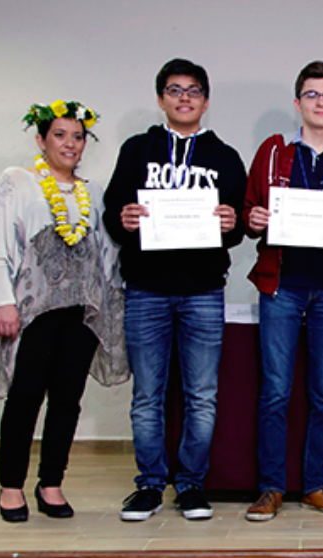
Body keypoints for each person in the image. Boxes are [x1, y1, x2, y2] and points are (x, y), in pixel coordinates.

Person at [104, 58, 247, 522]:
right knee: (148, 393)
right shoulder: (136, 149)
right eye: (174, 90)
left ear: (205, 100)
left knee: (202, 394)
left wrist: (233, 223)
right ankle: (148, 485)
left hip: (204, 290)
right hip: (145, 288)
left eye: (193, 91)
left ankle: (189, 485)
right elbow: (113, 213)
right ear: (161, 98)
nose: (184, 98)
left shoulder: (224, 156)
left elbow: (239, 223)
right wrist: (122, 221)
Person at [0, 100, 128, 522]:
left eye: (77, 137)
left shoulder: (91, 190)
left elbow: (106, 251)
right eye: (60, 135)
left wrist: (113, 299)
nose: (70, 144)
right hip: (31, 310)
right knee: (26, 396)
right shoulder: (17, 181)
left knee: (67, 399)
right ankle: (10, 486)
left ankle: (51, 483)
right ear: (40, 139)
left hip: (81, 313)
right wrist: (3, 301)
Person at [241, 61, 323, 522]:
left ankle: (315, 485)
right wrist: (252, 218)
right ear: (298, 103)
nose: (321, 102)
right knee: (275, 392)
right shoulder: (274, 152)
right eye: (312, 95)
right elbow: (251, 211)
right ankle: (271, 488)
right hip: (283, 288)